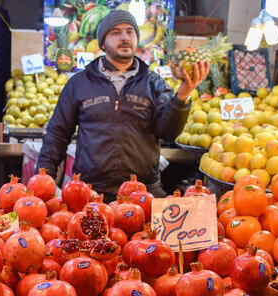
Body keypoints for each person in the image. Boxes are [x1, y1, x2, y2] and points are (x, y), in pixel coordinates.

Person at [36, 10, 209, 199]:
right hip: (90, 192)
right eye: (116, 32)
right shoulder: (79, 83)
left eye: (130, 31)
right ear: (102, 42)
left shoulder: (154, 83)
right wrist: (43, 182)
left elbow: (167, 132)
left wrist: (183, 94)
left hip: (144, 191)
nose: (125, 37)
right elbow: (57, 135)